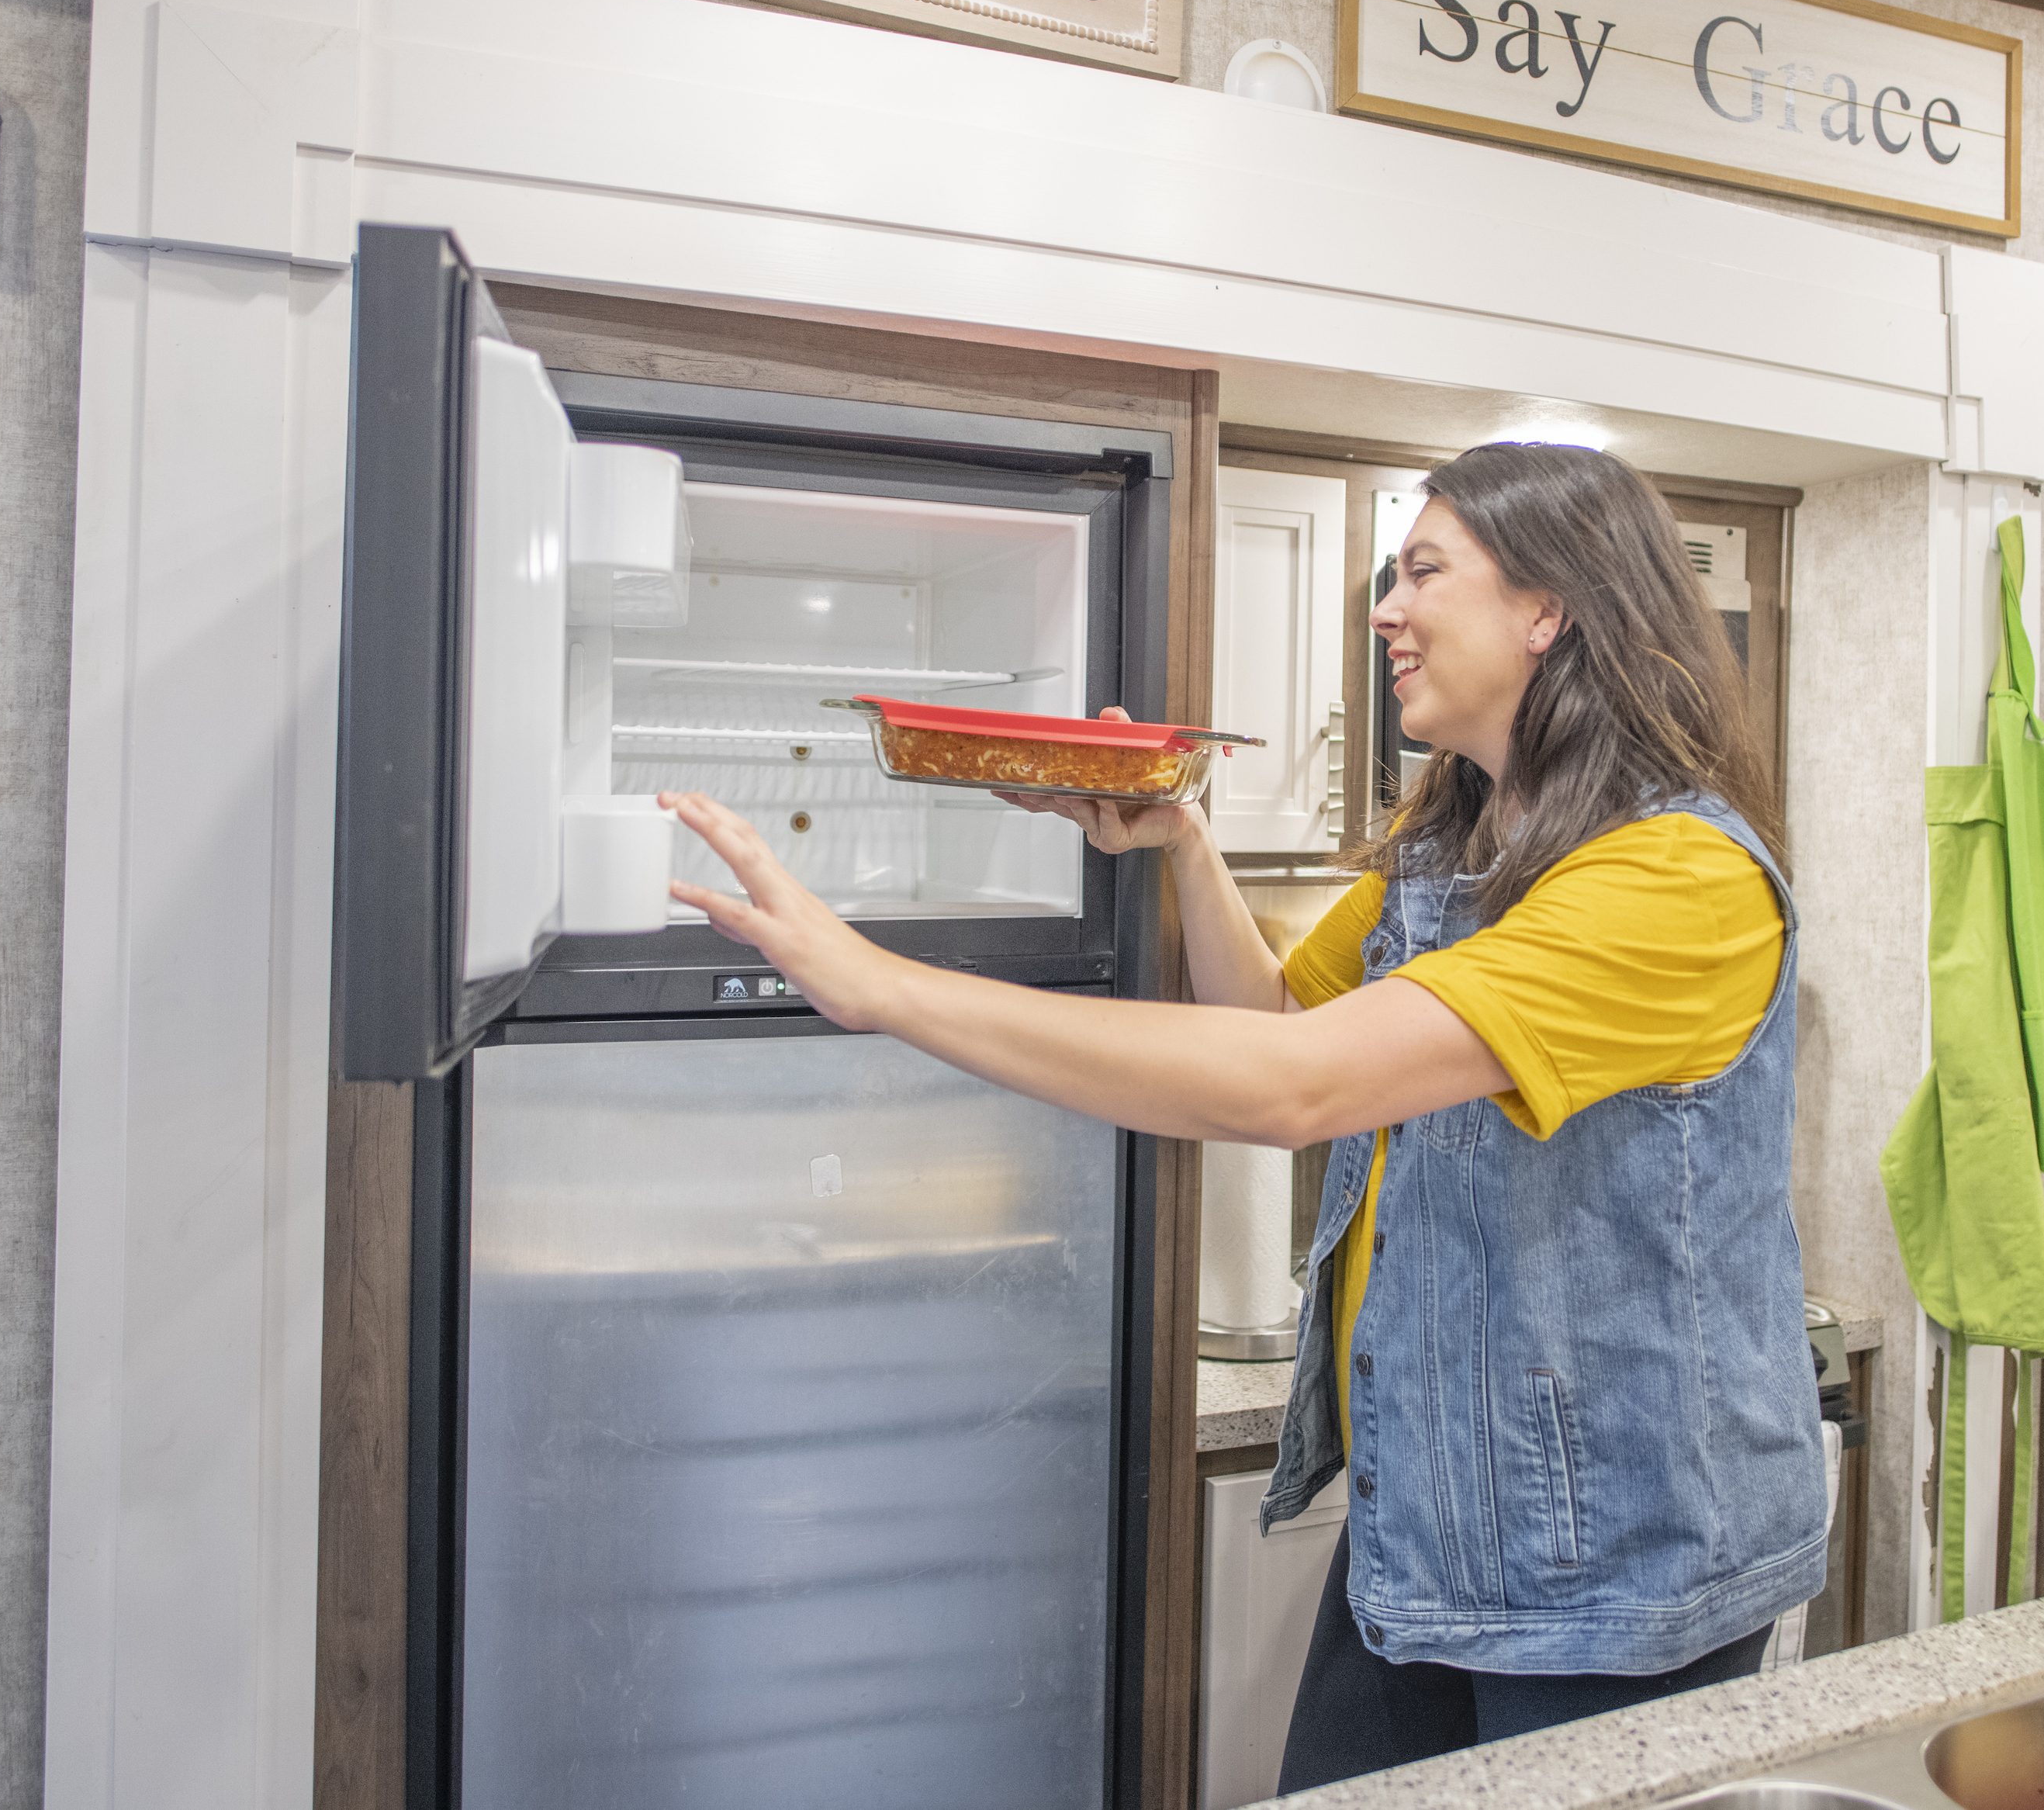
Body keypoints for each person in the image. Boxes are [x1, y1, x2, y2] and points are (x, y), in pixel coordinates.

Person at [662, 441, 1822, 1788]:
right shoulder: (1458, 858)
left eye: (1424, 571)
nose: (1384, 609)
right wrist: (1184, 842)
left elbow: (1299, 1087)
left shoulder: (1679, 878)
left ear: (1549, 608)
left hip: (1619, 1571)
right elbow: (1275, 1022)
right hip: (1438, 1519)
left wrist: (886, 986)